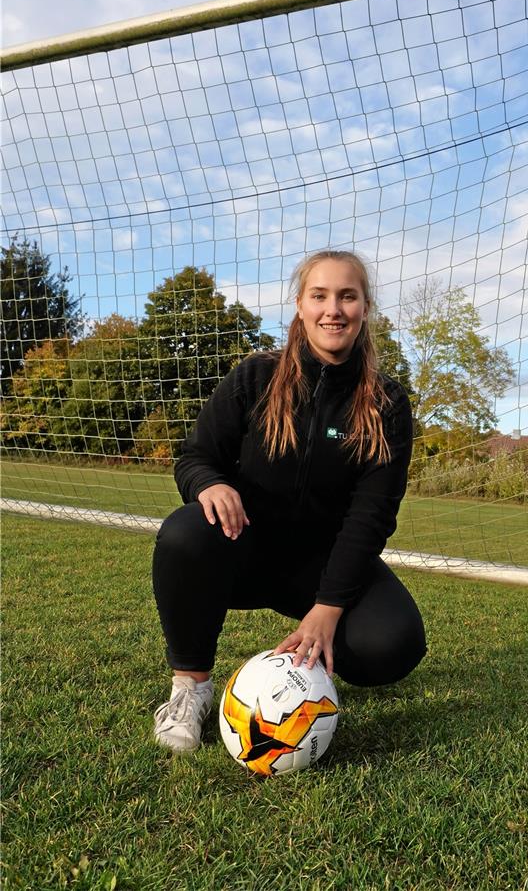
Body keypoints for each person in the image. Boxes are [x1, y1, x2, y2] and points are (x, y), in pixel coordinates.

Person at [152, 250, 426, 752]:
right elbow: (195, 457)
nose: (333, 309)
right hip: (243, 549)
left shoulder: (387, 403)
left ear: (365, 307)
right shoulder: (255, 377)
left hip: (320, 568)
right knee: (184, 533)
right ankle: (190, 687)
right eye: (319, 295)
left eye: (348, 296)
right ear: (299, 305)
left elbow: (373, 515)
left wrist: (328, 606)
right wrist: (209, 485)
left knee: (394, 643)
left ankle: (307, 678)